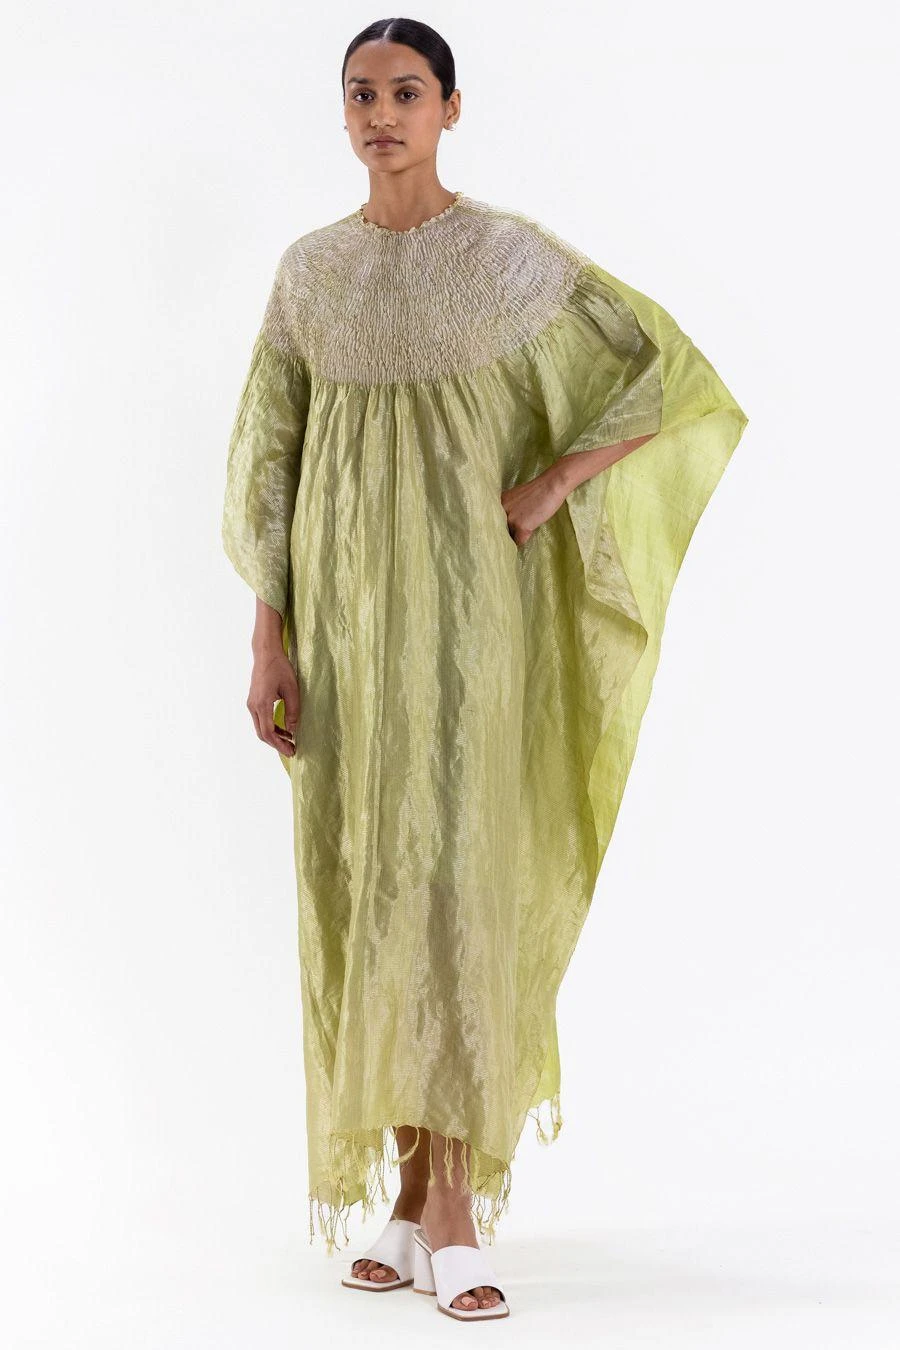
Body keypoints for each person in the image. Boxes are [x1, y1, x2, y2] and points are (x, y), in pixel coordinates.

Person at [221, 16, 749, 1321]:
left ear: (452, 108)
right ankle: (410, 1196)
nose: (381, 115)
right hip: (346, 627)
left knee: (455, 878)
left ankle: (456, 1204)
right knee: (369, 880)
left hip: (468, 621)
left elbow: (667, 372)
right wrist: (271, 635)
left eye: (406, 92)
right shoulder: (308, 276)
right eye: (360, 94)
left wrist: (557, 480)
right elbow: (270, 467)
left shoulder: (509, 258)